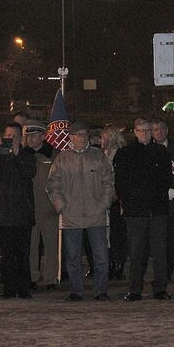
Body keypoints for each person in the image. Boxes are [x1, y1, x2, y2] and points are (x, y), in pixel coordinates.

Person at [46, 121, 114, 301]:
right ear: (71, 137)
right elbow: (53, 185)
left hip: (96, 214)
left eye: (85, 135)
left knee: (101, 257)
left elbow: (109, 182)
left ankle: (101, 291)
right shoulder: (62, 159)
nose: (82, 138)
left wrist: (104, 204)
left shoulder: (98, 156)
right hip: (71, 215)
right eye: (78, 135)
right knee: (73, 257)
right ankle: (76, 291)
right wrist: (61, 206)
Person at [113, 119, 172, 301]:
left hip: (157, 210)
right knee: (137, 252)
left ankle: (160, 288)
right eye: (142, 130)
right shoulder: (125, 153)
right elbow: (121, 182)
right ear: (135, 132)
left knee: (160, 252)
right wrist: (128, 202)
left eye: (148, 130)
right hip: (136, 212)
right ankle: (135, 288)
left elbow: (166, 178)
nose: (145, 134)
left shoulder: (161, 152)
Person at [0, 123, 36, 299]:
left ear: (21, 138)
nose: (11, 138)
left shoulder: (27, 155)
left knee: (22, 253)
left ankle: (24, 288)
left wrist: (17, 154)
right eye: (8, 135)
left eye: (14, 135)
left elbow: (29, 172)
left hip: (22, 213)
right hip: (3, 213)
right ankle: (9, 288)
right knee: (7, 255)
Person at [21, 120, 60, 290]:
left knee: (52, 247)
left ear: (43, 137)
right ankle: (32, 276)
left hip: (49, 208)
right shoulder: (22, 155)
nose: (31, 140)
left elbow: (61, 180)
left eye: (35, 136)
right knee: (31, 247)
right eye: (28, 136)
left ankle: (51, 278)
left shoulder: (54, 155)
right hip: (29, 208)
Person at [151, 117, 174, 281]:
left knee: (172, 238)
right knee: (157, 239)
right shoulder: (148, 149)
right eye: (155, 130)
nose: (159, 132)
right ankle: (158, 273)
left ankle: (168, 272)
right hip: (155, 201)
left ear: (167, 130)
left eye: (162, 129)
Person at [101, 124, 127, 280]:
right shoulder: (100, 155)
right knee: (104, 234)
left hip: (116, 201)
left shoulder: (122, 155)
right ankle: (108, 264)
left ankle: (118, 264)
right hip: (103, 201)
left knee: (117, 234)